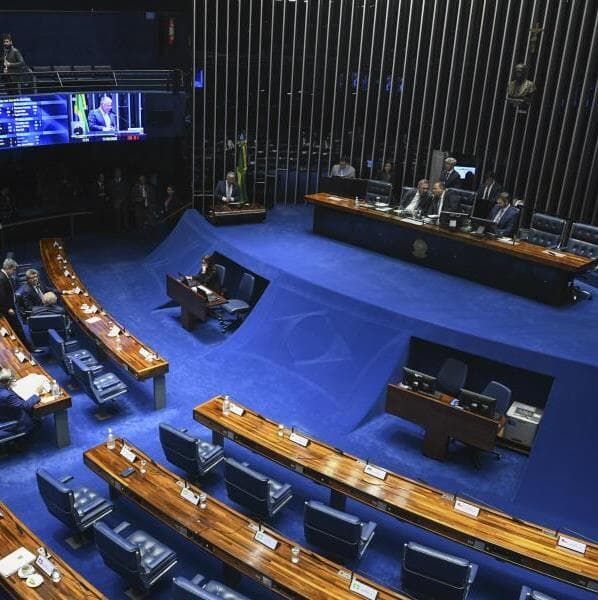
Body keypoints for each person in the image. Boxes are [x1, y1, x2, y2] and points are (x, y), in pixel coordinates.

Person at [0, 258, 37, 352]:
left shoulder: (5, 276)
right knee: (18, 328)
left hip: (11, 307)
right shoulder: (1, 278)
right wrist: (7, 309)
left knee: (16, 328)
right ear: (8, 268)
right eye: (13, 270)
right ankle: (29, 348)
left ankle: (25, 348)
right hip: (8, 310)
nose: (14, 272)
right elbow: (1, 296)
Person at [0, 368, 40, 441]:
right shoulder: (6, 395)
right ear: (7, 382)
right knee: (37, 423)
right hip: (10, 421)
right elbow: (25, 406)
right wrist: (36, 394)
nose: (15, 381)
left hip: (3, 413)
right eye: (13, 380)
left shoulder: (3, 390)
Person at [108, 167, 129, 232]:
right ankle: (118, 229)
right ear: (115, 173)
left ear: (121, 173)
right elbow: (110, 192)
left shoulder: (125, 181)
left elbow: (126, 191)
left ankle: (126, 227)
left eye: (119, 172)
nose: (118, 173)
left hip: (123, 200)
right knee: (117, 213)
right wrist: (116, 200)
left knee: (125, 212)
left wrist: (121, 200)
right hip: (115, 201)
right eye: (116, 172)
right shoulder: (111, 182)